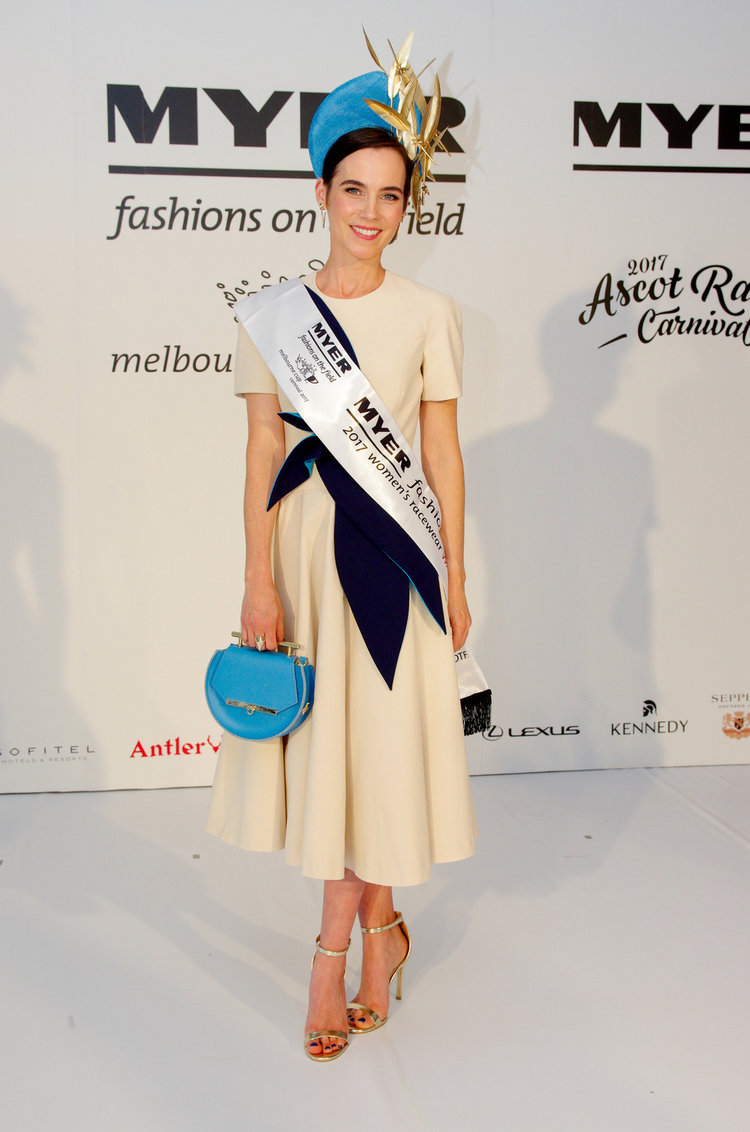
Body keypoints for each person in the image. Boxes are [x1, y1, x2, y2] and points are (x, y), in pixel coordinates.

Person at [207, 39, 477, 1062]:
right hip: (307, 557)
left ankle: (344, 949)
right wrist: (257, 578)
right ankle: (375, 932)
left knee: (383, 757)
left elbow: (441, 453)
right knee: (339, 756)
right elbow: (260, 451)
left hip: (397, 559)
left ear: (410, 207)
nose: (371, 211)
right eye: (353, 189)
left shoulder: (431, 314)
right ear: (320, 192)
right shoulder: (273, 317)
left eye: (391, 195)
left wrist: (456, 571)